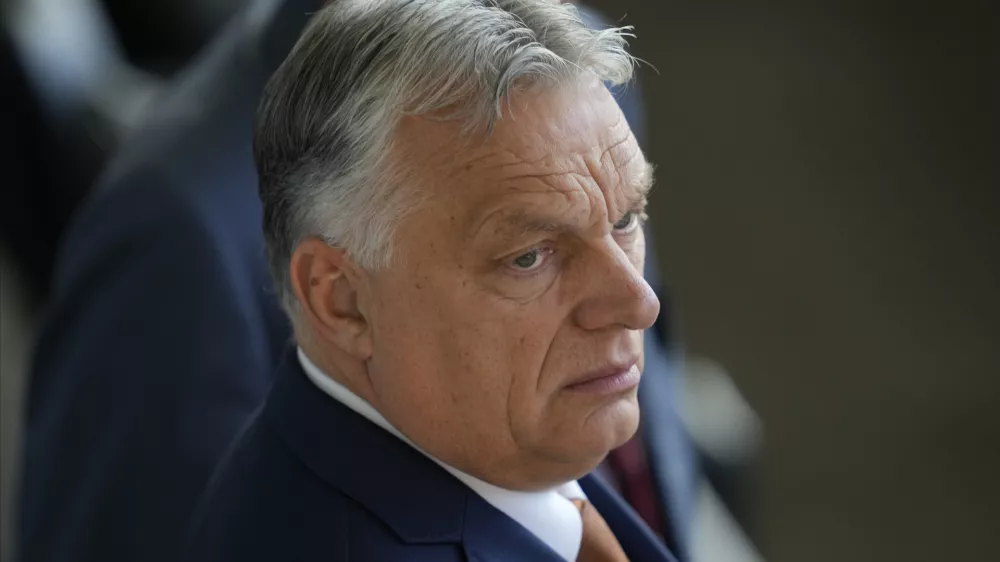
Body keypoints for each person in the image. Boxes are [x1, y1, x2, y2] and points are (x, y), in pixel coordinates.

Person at [185, 1, 678, 560]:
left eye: (624, 220)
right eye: (528, 258)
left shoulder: (490, 446)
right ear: (342, 301)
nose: (639, 303)